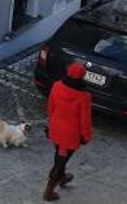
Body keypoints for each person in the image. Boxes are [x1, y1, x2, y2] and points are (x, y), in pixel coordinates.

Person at [44, 62, 94, 200]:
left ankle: (62, 177)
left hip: (55, 128)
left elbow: (50, 107)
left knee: (59, 155)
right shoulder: (84, 97)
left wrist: (51, 123)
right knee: (60, 161)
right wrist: (86, 136)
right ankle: (49, 191)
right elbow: (85, 120)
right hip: (70, 135)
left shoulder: (56, 86)